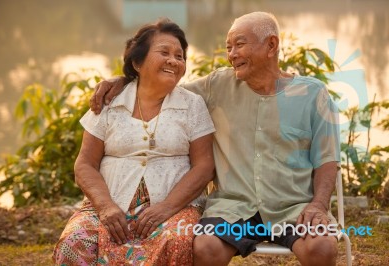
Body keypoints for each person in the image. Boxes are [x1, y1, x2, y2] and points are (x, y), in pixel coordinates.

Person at [90, 12, 341, 266]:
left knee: (322, 247)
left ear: (271, 45)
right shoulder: (217, 85)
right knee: (206, 247)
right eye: (229, 47)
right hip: (233, 210)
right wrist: (124, 80)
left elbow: (327, 160)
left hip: (293, 208)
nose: (231, 55)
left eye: (239, 45)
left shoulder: (313, 94)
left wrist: (319, 205)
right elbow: (162, 86)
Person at [53, 18, 215, 266]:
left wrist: (167, 208)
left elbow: (204, 166)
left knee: (176, 240)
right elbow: (84, 164)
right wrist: (106, 207)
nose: (174, 60)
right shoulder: (108, 102)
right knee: (75, 241)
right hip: (109, 205)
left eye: (180, 56)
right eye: (164, 52)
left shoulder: (192, 105)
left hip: (175, 207)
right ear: (137, 62)